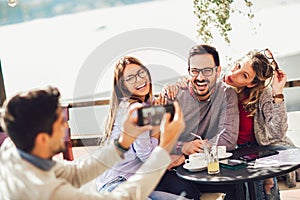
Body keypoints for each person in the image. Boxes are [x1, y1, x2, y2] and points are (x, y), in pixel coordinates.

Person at [0, 86, 186, 200]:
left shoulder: (13, 148)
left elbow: (74, 172)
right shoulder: (44, 191)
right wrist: (164, 147)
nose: (66, 126)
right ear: (42, 138)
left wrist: (123, 142)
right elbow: (124, 198)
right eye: (61, 122)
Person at [155, 44, 239, 199]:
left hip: (207, 166)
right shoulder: (173, 96)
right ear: (189, 72)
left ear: (218, 71)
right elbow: (159, 140)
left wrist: (189, 154)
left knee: (240, 186)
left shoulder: (227, 94)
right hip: (175, 170)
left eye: (207, 71)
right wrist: (183, 147)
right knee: (188, 192)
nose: (200, 78)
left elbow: (228, 139)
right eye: (195, 71)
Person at [223, 49, 298, 199]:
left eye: (244, 75)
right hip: (227, 153)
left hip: (256, 151)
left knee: (264, 189)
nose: (234, 74)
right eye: (238, 66)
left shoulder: (262, 94)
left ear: (251, 84)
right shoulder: (217, 89)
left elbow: (277, 132)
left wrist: (277, 91)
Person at [96, 56, 164, 193]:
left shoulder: (142, 104)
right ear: (123, 86)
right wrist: (157, 122)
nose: (139, 79)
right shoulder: (135, 109)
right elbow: (148, 158)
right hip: (116, 185)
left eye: (141, 73)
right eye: (130, 78)